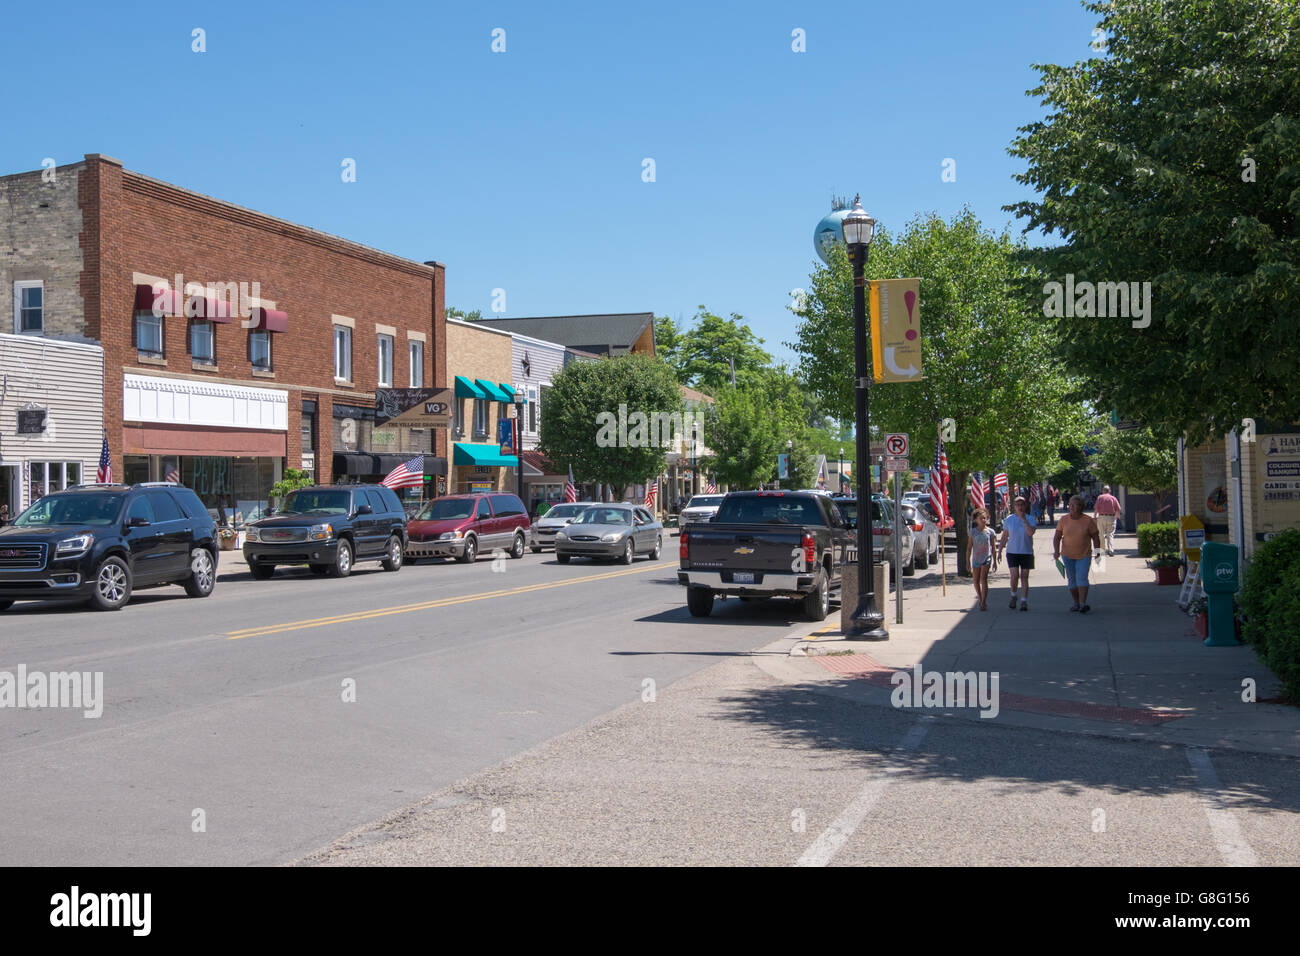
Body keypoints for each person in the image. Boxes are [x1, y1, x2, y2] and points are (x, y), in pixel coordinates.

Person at [1054, 494, 1103, 613]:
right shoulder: (1063, 520)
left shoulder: (1088, 520)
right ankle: (1076, 602)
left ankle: (1082, 604)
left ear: (1081, 507)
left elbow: (1096, 537)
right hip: (1067, 554)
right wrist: (1056, 552)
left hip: (1084, 555)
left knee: (1082, 578)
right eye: (1071, 505)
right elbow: (1057, 537)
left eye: (1077, 505)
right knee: (1072, 580)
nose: (1073, 507)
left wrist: (1098, 552)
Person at [997, 495, 1037, 611]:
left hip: (1026, 551)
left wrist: (1024, 520)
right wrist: (999, 551)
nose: (1020, 507)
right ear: (1014, 506)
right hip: (1012, 552)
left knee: (1024, 577)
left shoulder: (1030, 519)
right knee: (1014, 576)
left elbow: (1030, 533)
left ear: (1025, 506)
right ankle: (1013, 596)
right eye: (1017, 505)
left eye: (1022, 504)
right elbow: (1005, 536)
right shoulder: (1009, 519)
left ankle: (1024, 601)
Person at [967, 507, 997, 611]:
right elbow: (969, 548)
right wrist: (967, 561)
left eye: (985, 518)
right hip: (976, 559)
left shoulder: (990, 532)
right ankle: (979, 597)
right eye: (981, 518)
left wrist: (995, 561)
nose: (983, 520)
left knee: (983, 579)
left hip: (986, 558)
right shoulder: (973, 532)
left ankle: (984, 601)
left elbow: (993, 547)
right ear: (976, 520)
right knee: (976, 581)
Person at [1093, 484, 1121, 555]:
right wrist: (1116, 518)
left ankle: (1102, 551)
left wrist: (1095, 517)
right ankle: (1110, 550)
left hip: (1101, 517)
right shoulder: (1113, 498)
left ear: (1103, 491)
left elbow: (1096, 508)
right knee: (1110, 534)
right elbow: (1118, 509)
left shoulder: (1100, 497)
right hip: (1111, 517)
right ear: (1109, 491)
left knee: (1101, 534)